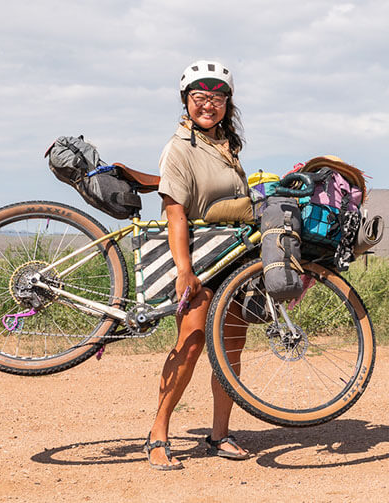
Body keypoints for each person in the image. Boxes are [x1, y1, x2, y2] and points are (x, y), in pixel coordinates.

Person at [144, 60, 251, 470]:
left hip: (232, 261)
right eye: (200, 97)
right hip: (198, 259)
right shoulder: (179, 149)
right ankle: (158, 434)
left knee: (231, 349)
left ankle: (219, 434)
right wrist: (184, 270)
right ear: (186, 101)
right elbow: (176, 214)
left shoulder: (226, 146)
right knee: (190, 344)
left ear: (227, 103)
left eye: (217, 98)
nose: (209, 105)